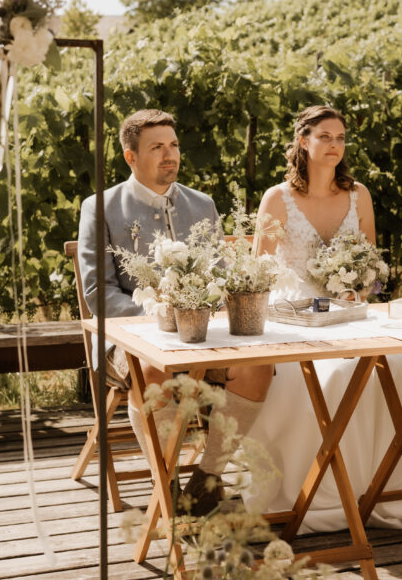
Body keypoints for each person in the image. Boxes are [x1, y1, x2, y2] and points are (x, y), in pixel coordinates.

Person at [243, 105, 402, 535]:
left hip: (350, 312)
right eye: (325, 136)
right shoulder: (277, 198)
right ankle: (322, 492)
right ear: (303, 141)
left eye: (340, 138)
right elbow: (259, 274)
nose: (334, 145)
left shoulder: (358, 195)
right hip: (295, 317)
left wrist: (355, 289)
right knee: (337, 376)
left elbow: (370, 264)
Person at [77, 109, 273, 515]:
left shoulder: (201, 204)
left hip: (204, 336)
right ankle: (165, 480)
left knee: (259, 368)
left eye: (174, 145)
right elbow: (98, 293)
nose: (170, 155)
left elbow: (220, 276)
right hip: (129, 336)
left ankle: (208, 478)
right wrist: (161, 318)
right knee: (154, 372)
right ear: (131, 157)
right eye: (157, 148)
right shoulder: (100, 207)